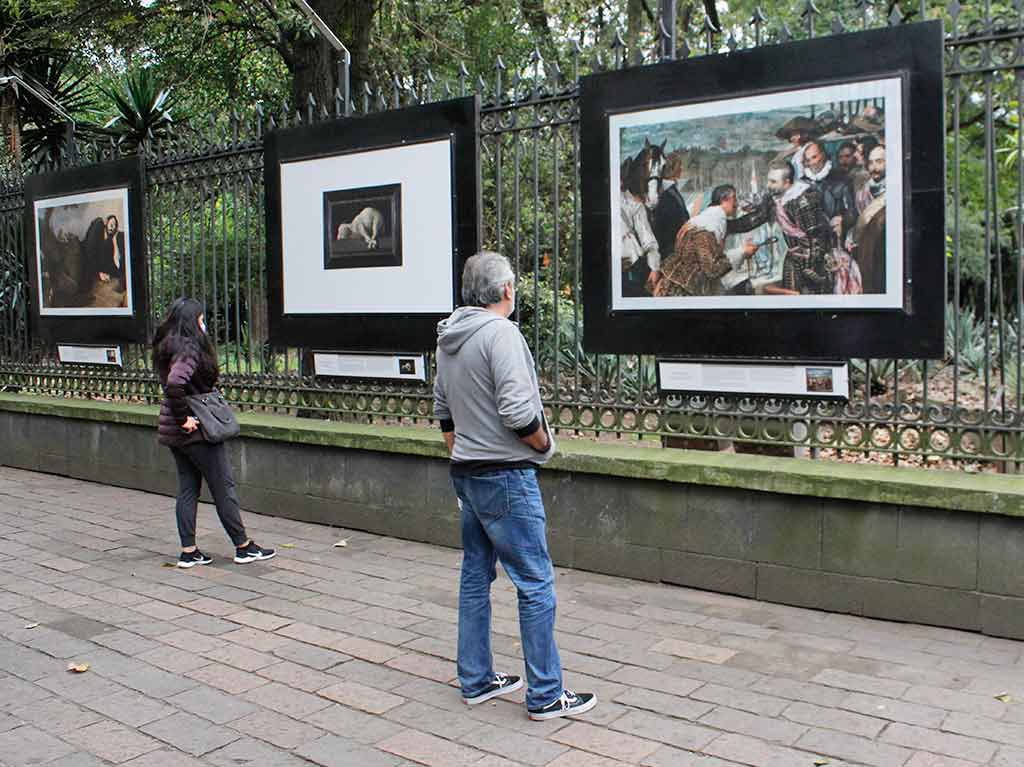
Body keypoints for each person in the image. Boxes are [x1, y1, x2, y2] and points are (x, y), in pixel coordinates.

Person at [434, 252, 597, 722]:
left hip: (467, 472)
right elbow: (517, 411)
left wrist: (462, 450)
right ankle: (546, 693)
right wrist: (543, 442)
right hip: (506, 474)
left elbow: (444, 413)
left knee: (474, 576)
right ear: (506, 290)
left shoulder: (449, 339)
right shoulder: (501, 334)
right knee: (535, 582)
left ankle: (477, 679)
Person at [153, 297, 275, 568]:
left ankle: (189, 551)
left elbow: (171, 384)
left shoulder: (167, 346)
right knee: (223, 487)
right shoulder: (189, 348)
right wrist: (185, 418)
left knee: (187, 488)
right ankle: (243, 546)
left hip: (175, 432)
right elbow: (175, 383)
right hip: (198, 430)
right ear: (193, 322)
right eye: (200, 319)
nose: (203, 323)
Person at [730, 161, 833, 294]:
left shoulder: (804, 200)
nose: (768, 185)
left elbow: (817, 236)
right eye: (769, 181)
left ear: (787, 182)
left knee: (812, 296)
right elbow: (755, 219)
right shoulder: (774, 197)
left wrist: (812, 268)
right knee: (790, 295)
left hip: (813, 258)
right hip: (793, 255)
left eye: (773, 182)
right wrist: (728, 226)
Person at [655, 184, 759, 297]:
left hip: (684, 288)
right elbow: (712, 269)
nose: (736, 203)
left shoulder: (708, 220)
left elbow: (741, 225)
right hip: (679, 292)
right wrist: (742, 252)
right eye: (734, 199)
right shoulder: (708, 228)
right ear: (724, 200)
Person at [801, 140, 856, 242]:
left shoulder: (841, 179)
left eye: (814, 157)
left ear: (823, 155)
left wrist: (843, 220)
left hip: (839, 237)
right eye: (808, 160)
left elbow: (852, 211)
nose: (812, 163)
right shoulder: (802, 184)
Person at [651, 150, 691, 262]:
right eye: (680, 166)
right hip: (670, 249)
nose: (682, 169)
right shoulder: (664, 192)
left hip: (675, 246)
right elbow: (664, 224)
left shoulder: (670, 190)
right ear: (672, 168)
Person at [84, 215, 127, 289]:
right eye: (111, 223)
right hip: (86, 256)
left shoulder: (110, 241)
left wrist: (114, 241)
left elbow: (113, 261)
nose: (113, 227)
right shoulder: (99, 224)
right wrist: (98, 273)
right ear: (106, 221)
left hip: (102, 266)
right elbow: (89, 251)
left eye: (115, 225)